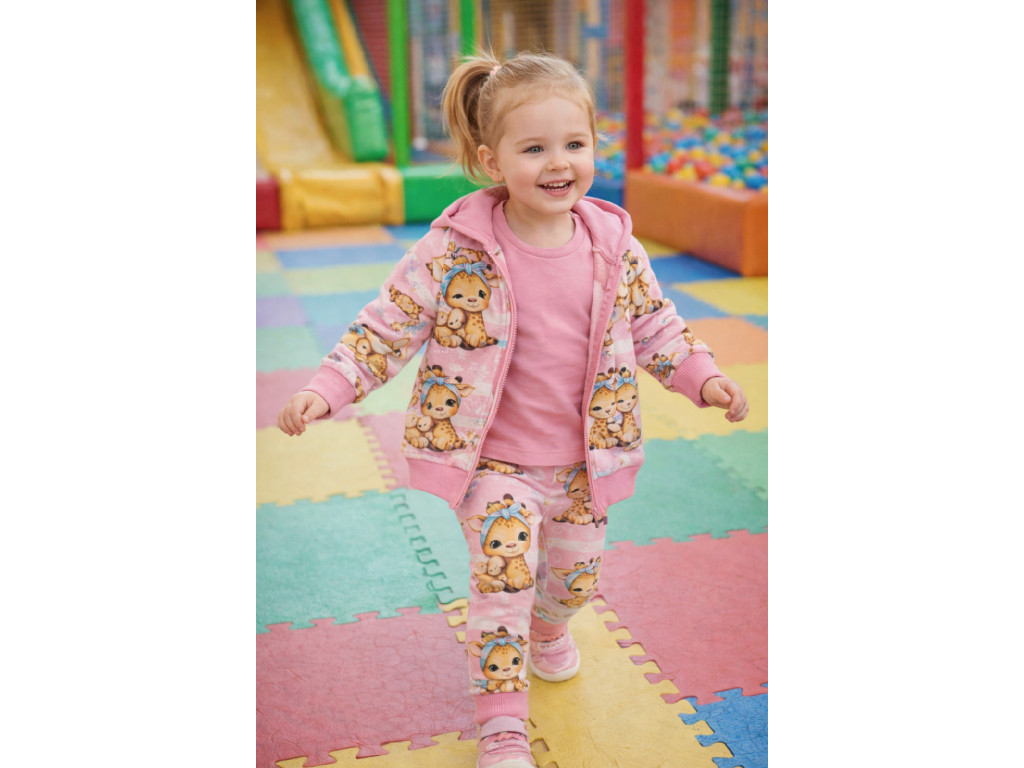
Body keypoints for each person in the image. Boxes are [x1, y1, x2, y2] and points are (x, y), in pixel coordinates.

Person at [277, 50, 748, 768]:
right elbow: (388, 324)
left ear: (594, 145)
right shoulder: (454, 248)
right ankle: (502, 728)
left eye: (575, 143)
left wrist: (702, 377)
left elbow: (656, 325)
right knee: (502, 586)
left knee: (574, 583)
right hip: (490, 462)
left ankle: (550, 629)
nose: (559, 163)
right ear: (490, 160)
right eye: (534, 149)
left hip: (587, 462)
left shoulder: (614, 246)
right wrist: (330, 385)